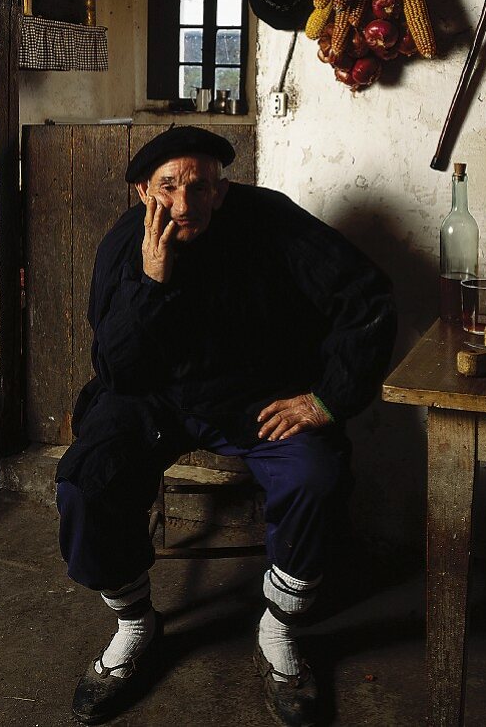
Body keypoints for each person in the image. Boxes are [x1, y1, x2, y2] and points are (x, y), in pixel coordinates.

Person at [56, 126, 397, 726]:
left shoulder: (272, 222)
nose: (185, 204)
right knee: (88, 480)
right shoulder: (121, 247)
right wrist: (151, 283)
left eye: (201, 186)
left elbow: (365, 297)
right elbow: (116, 368)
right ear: (143, 192)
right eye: (169, 187)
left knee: (315, 475)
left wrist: (327, 399)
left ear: (222, 188)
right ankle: (136, 624)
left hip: (254, 403)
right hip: (153, 400)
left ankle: (279, 629)